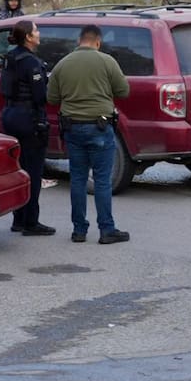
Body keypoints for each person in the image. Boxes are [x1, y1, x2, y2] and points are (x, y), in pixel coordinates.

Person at [46, 24, 130, 244]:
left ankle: (79, 230)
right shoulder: (107, 61)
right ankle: (106, 230)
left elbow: (52, 99)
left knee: (78, 179)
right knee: (102, 180)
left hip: (73, 128)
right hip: (100, 127)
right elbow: (124, 91)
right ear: (98, 42)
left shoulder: (62, 65)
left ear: (79, 41)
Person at [0, 20, 55, 236]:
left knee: (18, 169)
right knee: (32, 171)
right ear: (29, 37)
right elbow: (41, 96)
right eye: (36, 30)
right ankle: (31, 222)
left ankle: (18, 219)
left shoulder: (11, 57)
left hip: (10, 115)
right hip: (28, 119)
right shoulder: (31, 63)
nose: (39, 33)